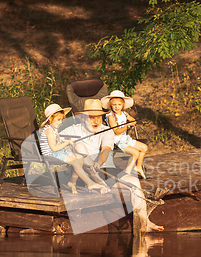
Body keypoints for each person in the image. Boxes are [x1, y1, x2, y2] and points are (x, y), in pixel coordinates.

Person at [60, 99, 163, 232]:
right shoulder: (72, 130)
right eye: (92, 118)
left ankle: (144, 222)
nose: (96, 121)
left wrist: (98, 163)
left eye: (98, 117)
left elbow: (106, 150)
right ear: (83, 118)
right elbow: (54, 143)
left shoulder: (106, 130)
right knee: (79, 147)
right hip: (81, 174)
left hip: (102, 168)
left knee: (134, 182)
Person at [39, 104, 106, 194]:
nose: (60, 122)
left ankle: (72, 182)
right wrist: (67, 142)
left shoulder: (54, 129)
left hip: (59, 152)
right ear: (50, 119)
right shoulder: (49, 131)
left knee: (80, 158)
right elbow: (54, 148)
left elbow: (58, 143)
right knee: (74, 162)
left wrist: (63, 141)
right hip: (51, 154)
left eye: (61, 120)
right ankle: (90, 183)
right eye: (58, 120)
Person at [101, 90, 148, 179]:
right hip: (116, 141)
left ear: (123, 105)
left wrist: (131, 124)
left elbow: (133, 121)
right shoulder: (110, 116)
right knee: (135, 153)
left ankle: (138, 167)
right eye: (114, 105)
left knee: (144, 148)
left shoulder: (124, 113)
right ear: (111, 105)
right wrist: (126, 126)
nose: (117, 107)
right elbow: (117, 131)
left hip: (125, 138)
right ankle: (127, 172)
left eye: (119, 105)